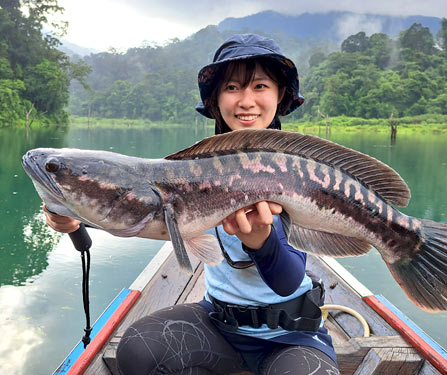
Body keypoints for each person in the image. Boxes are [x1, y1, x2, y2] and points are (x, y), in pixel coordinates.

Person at [43, 34, 339, 375]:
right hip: (220, 324)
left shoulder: (297, 172)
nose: (246, 101)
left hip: (292, 335)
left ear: (280, 95)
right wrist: (75, 218)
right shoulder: (194, 171)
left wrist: (262, 243)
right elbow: (145, 211)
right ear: (215, 100)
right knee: (138, 350)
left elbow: (288, 281)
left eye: (260, 86)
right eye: (231, 88)